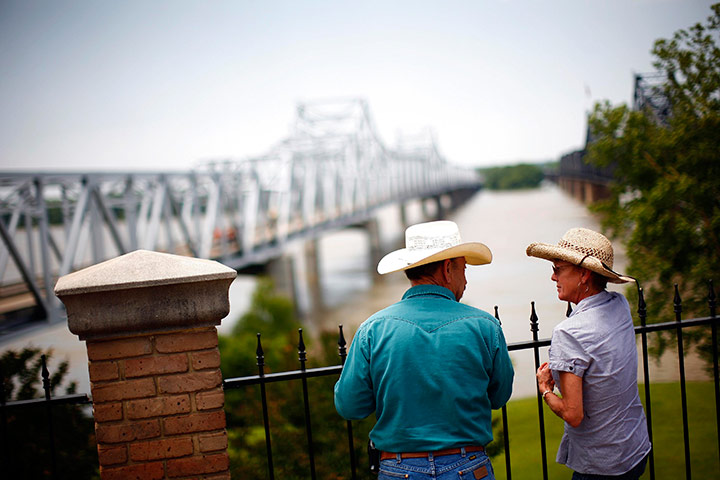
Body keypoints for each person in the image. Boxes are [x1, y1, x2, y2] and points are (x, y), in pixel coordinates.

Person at [334, 220, 514, 480]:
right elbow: (500, 396)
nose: (466, 280)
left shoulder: (372, 329)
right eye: (464, 269)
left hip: (398, 467)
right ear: (447, 268)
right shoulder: (485, 326)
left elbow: (349, 406)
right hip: (468, 465)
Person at [527, 227, 651, 479]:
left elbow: (573, 414)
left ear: (584, 274)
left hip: (602, 464)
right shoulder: (619, 305)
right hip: (636, 447)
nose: (553, 278)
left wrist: (546, 389)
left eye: (558, 269)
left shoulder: (568, 333)